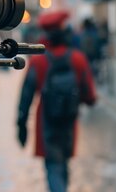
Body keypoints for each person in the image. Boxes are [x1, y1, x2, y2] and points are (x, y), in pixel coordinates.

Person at [16, 11, 97, 192]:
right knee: (64, 164)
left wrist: (21, 124)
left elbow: (26, 95)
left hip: (47, 122)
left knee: (53, 167)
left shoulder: (38, 61)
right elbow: (90, 96)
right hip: (69, 120)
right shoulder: (78, 59)